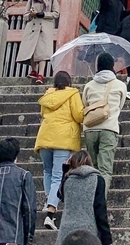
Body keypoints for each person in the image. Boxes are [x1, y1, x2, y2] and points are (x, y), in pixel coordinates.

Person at [36, 70, 85, 230]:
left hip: (45, 136)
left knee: (47, 172)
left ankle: (48, 201)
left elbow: (43, 114)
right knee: (58, 175)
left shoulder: (48, 95)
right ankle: (51, 212)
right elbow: (78, 115)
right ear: (69, 82)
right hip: (63, 138)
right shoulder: (73, 94)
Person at [82, 52, 128, 188]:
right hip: (109, 128)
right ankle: (100, 203)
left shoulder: (89, 85)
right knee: (105, 170)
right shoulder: (120, 85)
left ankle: (90, 197)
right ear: (112, 65)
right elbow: (120, 105)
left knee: (92, 168)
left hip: (90, 128)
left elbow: (85, 105)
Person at [54, 151, 112, 245]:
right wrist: (106, 238)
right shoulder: (98, 179)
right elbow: (100, 209)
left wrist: (65, 170)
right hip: (89, 231)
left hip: (66, 230)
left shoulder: (67, 180)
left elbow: (60, 195)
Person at [17, 0, 58, 83]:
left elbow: (56, 13)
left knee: (42, 52)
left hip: (44, 28)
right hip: (32, 27)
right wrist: (30, 15)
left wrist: (42, 14)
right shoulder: (31, 0)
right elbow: (25, 15)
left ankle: (41, 74)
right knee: (32, 50)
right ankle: (34, 70)